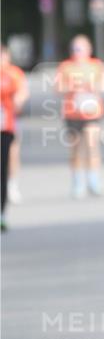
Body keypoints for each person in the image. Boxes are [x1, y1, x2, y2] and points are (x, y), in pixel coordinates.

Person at [55, 35, 104, 198]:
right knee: (76, 149)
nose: (78, 52)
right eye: (76, 48)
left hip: (92, 112)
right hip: (73, 113)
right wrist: (72, 86)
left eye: (81, 48)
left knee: (92, 145)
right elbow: (57, 88)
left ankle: (93, 180)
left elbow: (103, 85)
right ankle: (77, 181)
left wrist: (91, 86)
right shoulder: (66, 66)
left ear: (89, 49)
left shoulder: (96, 65)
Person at [1, 45, 29, 231]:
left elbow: (22, 92)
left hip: (6, 126)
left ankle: (2, 211)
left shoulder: (13, 73)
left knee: (5, 162)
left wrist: (18, 100)